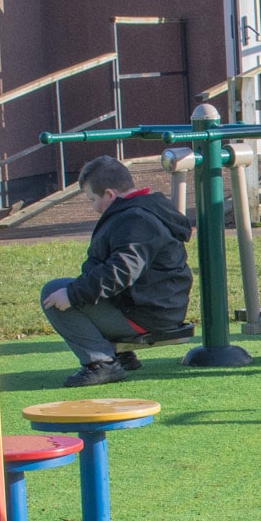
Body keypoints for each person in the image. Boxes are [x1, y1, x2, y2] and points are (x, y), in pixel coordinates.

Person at [39, 156, 192, 387]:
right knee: (73, 287)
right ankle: (121, 354)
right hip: (155, 304)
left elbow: (121, 270)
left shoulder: (135, 220)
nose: (92, 207)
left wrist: (72, 295)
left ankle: (101, 363)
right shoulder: (143, 210)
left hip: (149, 313)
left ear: (109, 195)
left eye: (92, 199)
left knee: (53, 292)